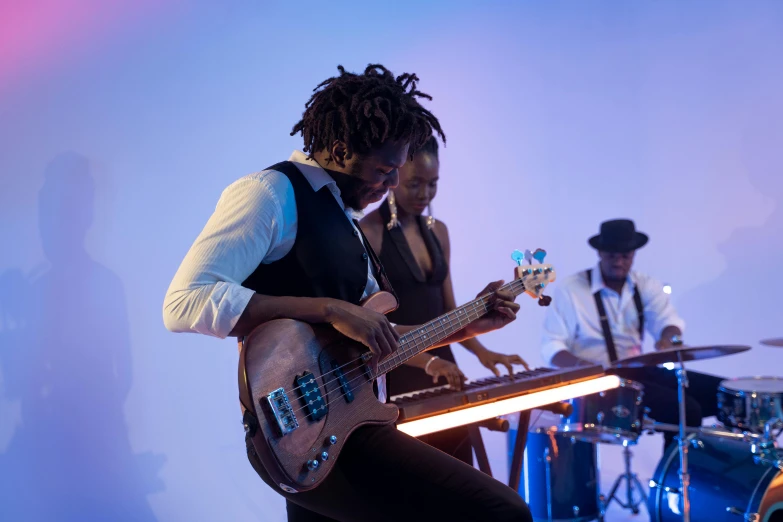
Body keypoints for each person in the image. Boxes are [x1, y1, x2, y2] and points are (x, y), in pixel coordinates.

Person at [163, 64, 532, 522]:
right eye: (385, 169)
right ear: (339, 150)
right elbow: (184, 302)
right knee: (501, 511)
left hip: (337, 426)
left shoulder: (343, 219)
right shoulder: (270, 193)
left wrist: (468, 324)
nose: (392, 185)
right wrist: (330, 309)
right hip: (304, 427)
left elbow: (376, 337)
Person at [360, 136, 528, 465]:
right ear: (394, 178)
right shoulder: (369, 233)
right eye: (415, 184)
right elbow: (373, 329)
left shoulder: (440, 232)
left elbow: (448, 311)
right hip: (400, 371)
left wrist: (483, 353)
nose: (425, 194)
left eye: (433, 184)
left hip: (447, 372)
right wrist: (430, 362)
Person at [540, 218, 724, 450]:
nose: (618, 262)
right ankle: (673, 481)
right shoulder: (572, 289)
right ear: (600, 252)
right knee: (686, 410)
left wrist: (667, 339)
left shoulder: (645, 285)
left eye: (625, 256)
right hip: (596, 380)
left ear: (634, 254)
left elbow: (668, 321)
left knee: (723, 394)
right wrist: (587, 368)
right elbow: (552, 346)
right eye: (612, 255)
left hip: (638, 371)